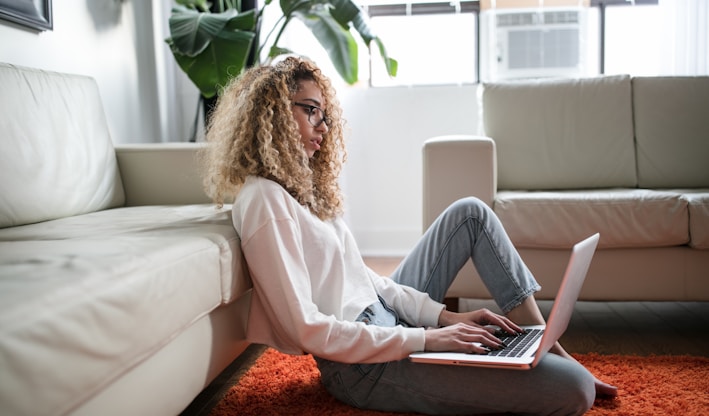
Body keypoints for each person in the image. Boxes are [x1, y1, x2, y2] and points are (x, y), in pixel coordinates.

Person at [202, 56, 617, 415]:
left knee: (470, 213)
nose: (323, 126)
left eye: (324, 115)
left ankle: (548, 345)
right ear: (271, 111)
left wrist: (444, 318)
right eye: (310, 110)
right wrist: (427, 339)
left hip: (386, 323)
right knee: (573, 390)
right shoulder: (264, 200)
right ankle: (549, 361)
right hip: (362, 368)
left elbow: (367, 281)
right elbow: (305, 329)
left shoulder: (301, 191)